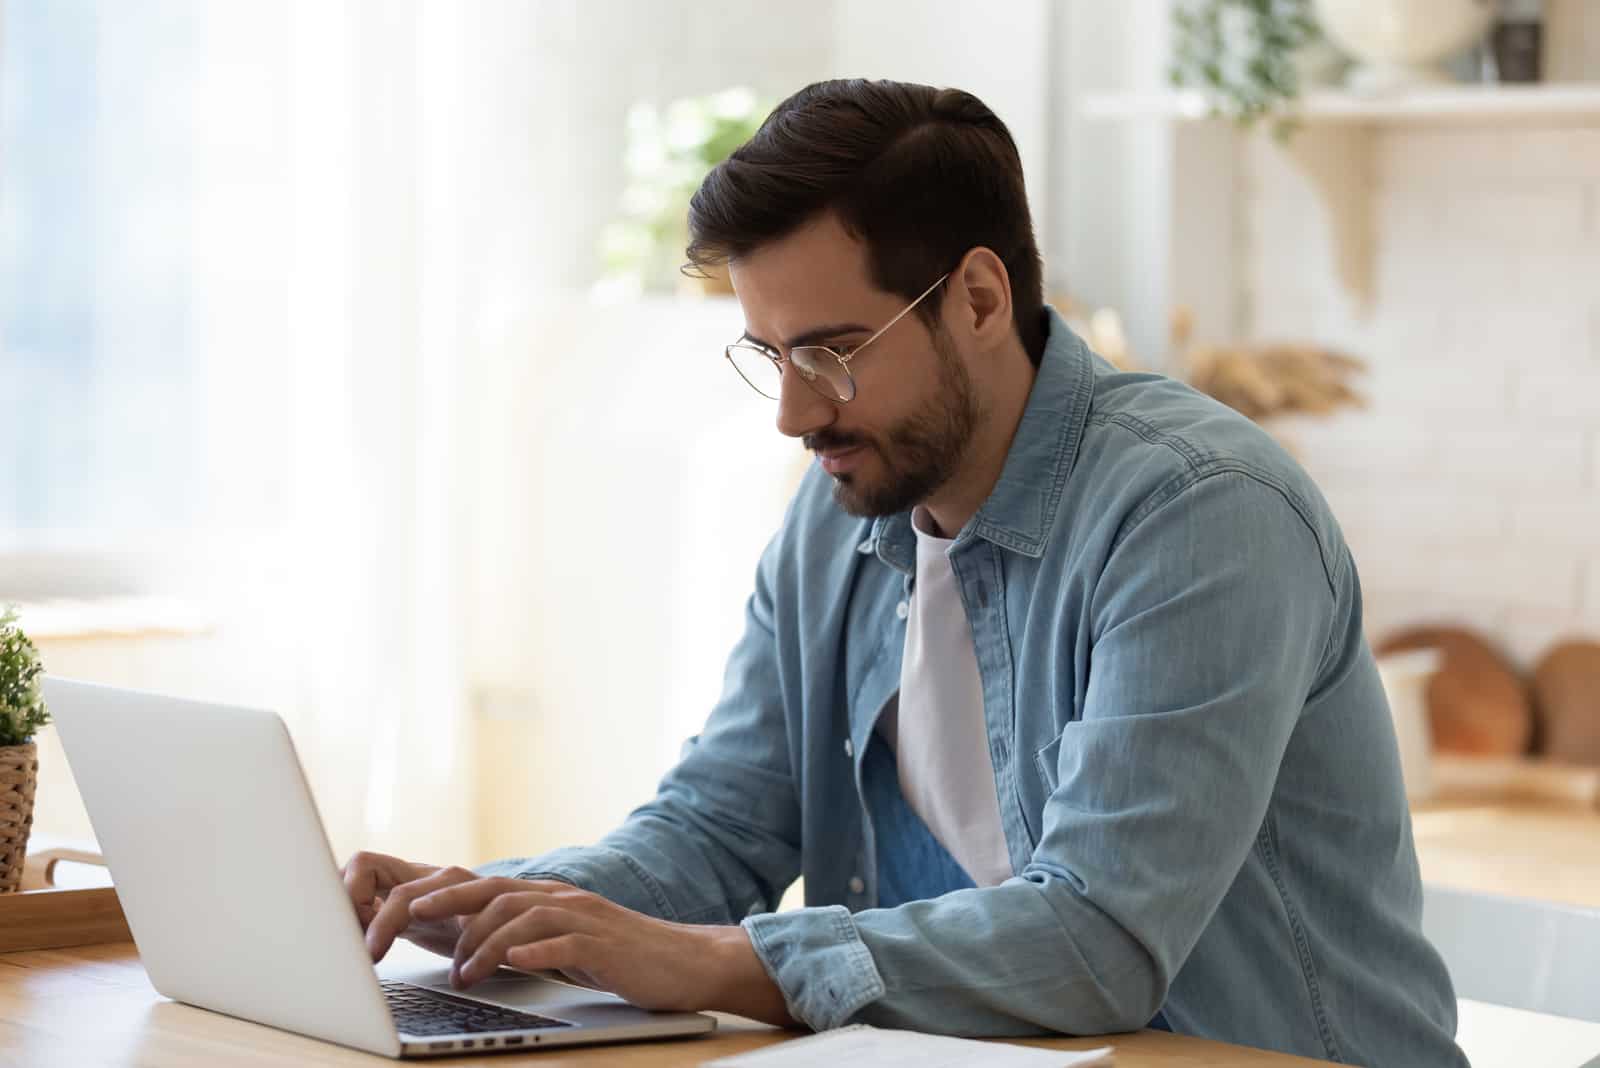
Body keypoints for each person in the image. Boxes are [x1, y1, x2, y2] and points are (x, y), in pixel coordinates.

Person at [344, 78, 1467, 1066]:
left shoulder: (1199, 513)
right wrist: (498, 909)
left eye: (830, 353)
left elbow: (1098, 945)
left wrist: (702, 962)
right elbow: (720, 826)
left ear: (977, 299)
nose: (792, 413)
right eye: (771, 357)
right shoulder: (839, 513)